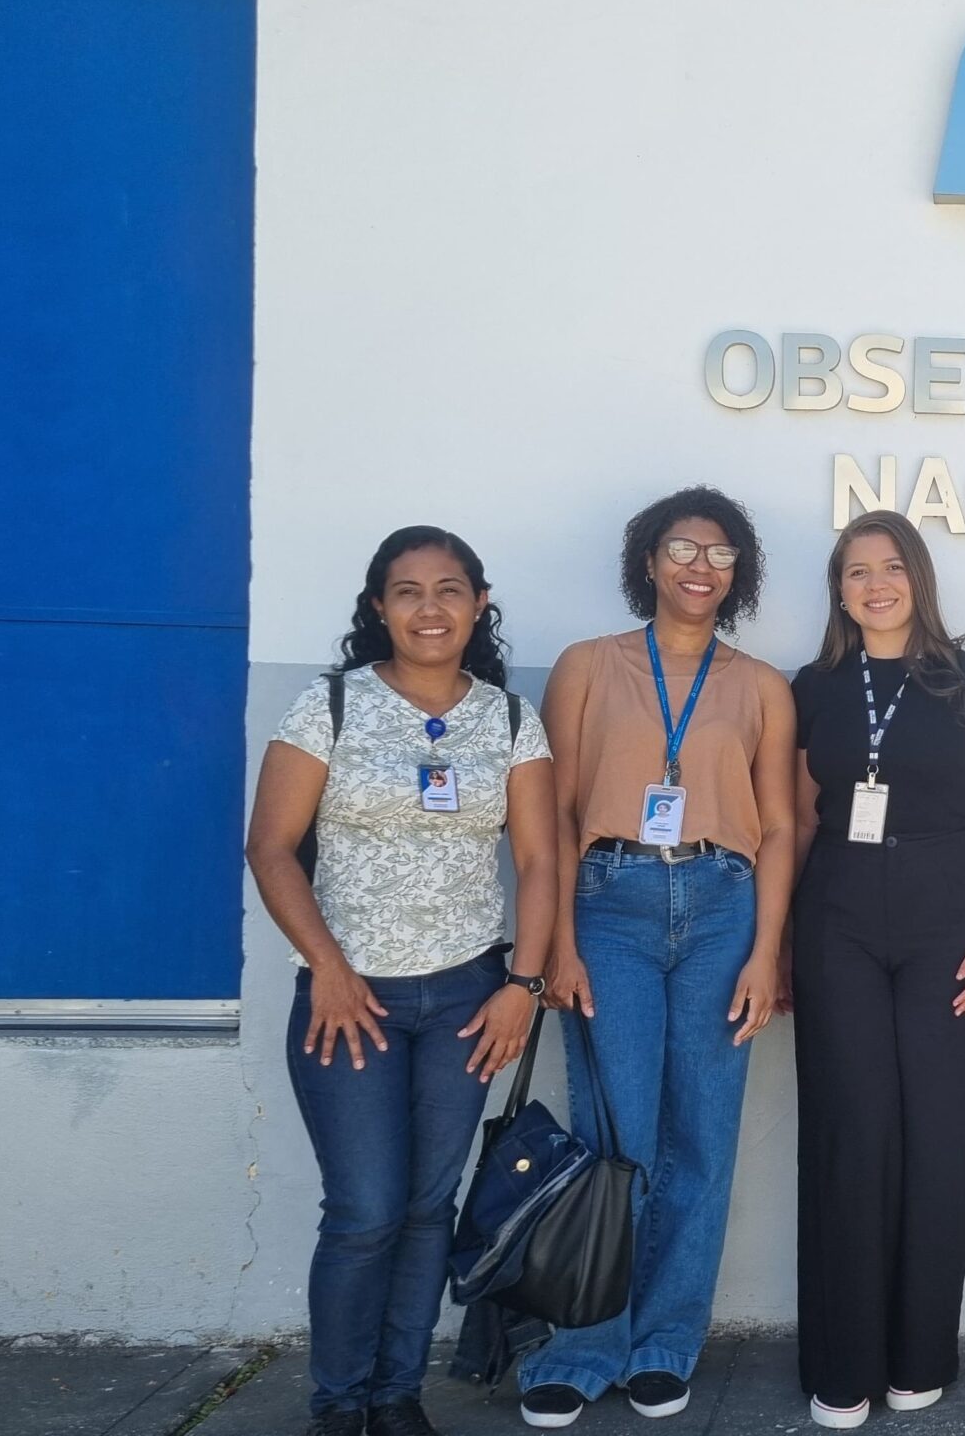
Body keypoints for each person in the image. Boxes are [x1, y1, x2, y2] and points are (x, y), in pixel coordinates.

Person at [244, 526, 558, 1436]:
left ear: (480, 603)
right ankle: (340, 1405)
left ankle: (397, 1397)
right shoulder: (330, 705)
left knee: (428, 1207)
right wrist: (331, 971)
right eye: (408, 591)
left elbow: (539, 861)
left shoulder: (506, 718)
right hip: (353, 1004)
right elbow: (271, 849)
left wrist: (523, 985)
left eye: (450, 589)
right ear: (378, 607)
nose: (431, 608)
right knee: (364, 1209)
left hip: (468, 994)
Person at [516, 488, 797, 1429]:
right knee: (613, 1134)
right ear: (649, 560)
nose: (699, 567)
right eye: (682, 548)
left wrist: (768, 948)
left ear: (737, 574)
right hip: (609, 905)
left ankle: (665, 1344)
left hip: (724, 907)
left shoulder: (760, 685)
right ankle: (584, 1344)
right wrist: (554, 942)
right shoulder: (588, 666)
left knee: (700, 1143)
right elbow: (550, 814)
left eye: (719, 555)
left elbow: (784, 825)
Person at [786, 509, 965, 1430]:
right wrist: (776, 947)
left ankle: (920, 1351)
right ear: (839, 590)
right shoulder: (808, 689)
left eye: (892, 568)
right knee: (854, 1134)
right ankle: (842, 1363)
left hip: (951, 930)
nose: (875, 585)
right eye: (857, 572)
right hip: (839, 925)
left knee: (937, 1137)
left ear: (918, 579)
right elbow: (801, 821)